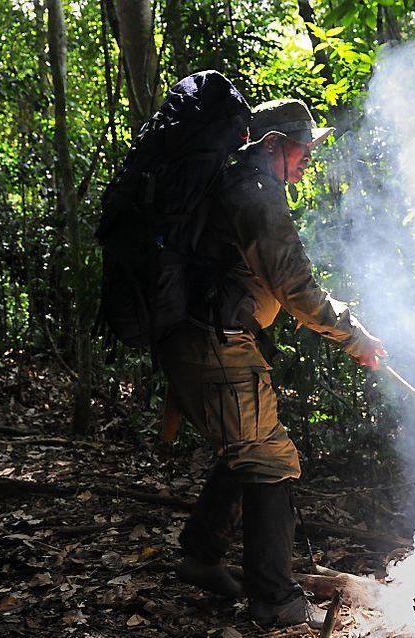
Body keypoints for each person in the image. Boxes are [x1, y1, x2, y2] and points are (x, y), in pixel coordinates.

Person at [157, 98, 386, 628]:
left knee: (246, 447)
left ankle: (200, 556)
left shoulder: (234, 186)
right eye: (302, 145)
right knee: (271, 459)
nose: (309, 156)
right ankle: (275, 600)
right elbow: (296, 287)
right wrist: (356, 337)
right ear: (273, 144)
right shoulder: (254, 194)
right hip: (212, 343)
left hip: (198, 341)